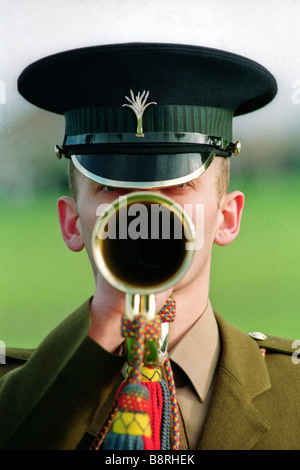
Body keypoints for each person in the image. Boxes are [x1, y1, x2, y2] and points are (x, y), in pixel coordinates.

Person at [0, 43, 299, 451]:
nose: (142, 209)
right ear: (72, 223)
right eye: (111, 186)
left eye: (176, 185)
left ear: (227, 218)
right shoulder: (16, 397)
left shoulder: (293, 391)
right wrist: (106, 321)